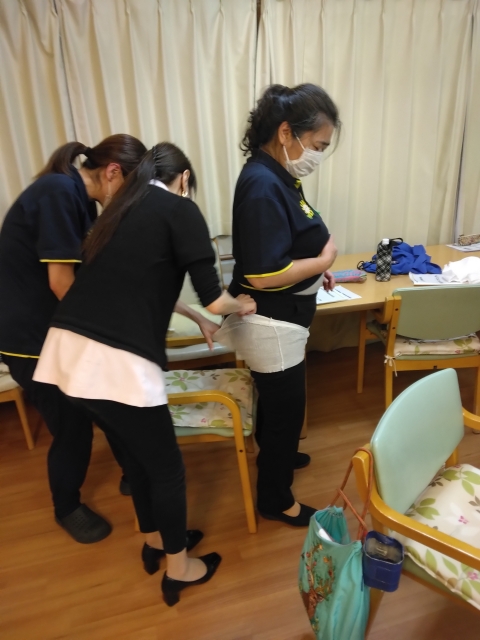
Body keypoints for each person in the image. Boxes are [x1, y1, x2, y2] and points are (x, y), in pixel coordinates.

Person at [33, 142, 256, 605]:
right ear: (184, 179)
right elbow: (215, 299)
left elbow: (138, 284)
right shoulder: (180, 209)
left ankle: (155, 540)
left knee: (136, 459)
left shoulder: (120, 210)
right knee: (167, 469)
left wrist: (195, 317)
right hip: (117, 363)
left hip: (66, 352)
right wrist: (243, 304)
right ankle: (180, 568)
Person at [0, 135, 148, 543]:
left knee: (109, 402)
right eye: (130, 189)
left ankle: (134, 472)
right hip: (30, 340)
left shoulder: (78, 199)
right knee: (72, 426)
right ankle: (66, 506)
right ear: (113, 172)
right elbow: (61, 282)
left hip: (56, 331)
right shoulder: (59, 192)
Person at [227, 83, 341, 527]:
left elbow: (288, 242)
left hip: (283, 316)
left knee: (281, 406)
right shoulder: (261, 185)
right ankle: (276, 500)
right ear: (286, 132)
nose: (318, 155)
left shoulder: (278, 175)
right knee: (285, 411)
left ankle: (278, 454)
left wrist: (314, 270)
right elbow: (262, 274)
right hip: (271, 322)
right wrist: (322, 261)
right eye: (318, 145)